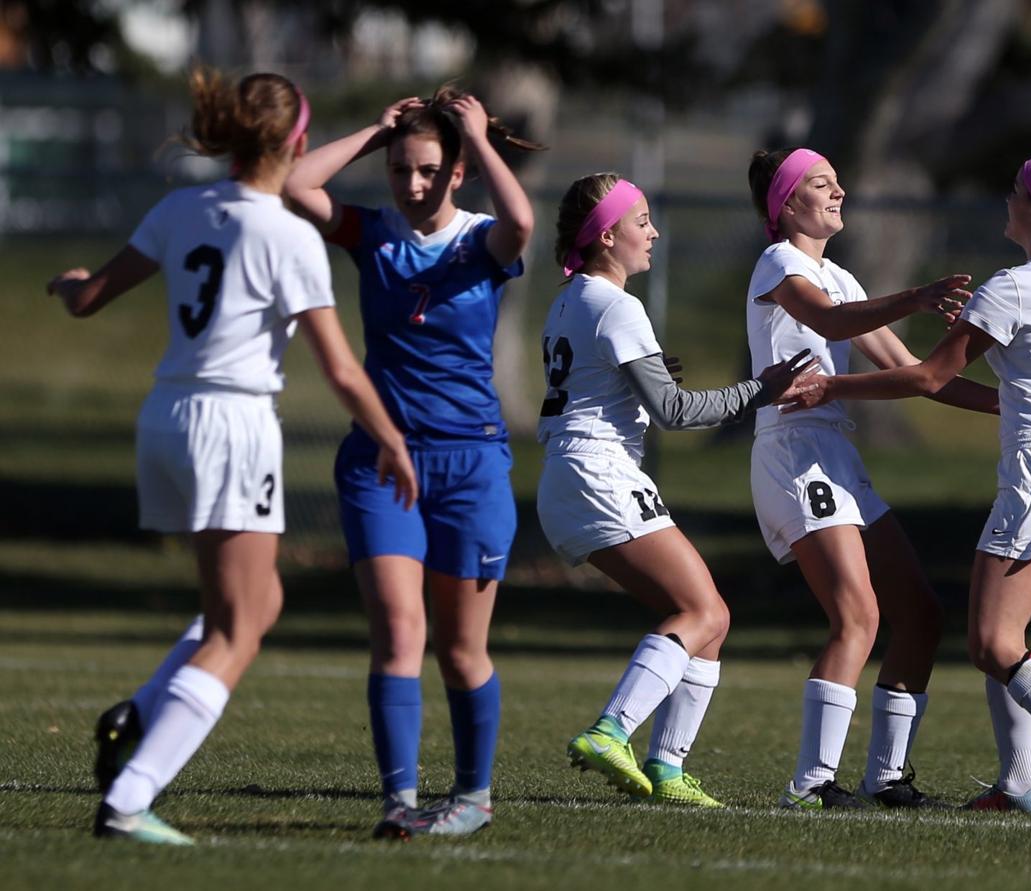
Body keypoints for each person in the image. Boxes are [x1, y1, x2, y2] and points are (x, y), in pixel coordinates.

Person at [48, 67, 418, 845]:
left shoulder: (183, 206)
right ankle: (130, 795)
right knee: (237, 630)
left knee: (254, 606)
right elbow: (342, 369)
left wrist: (70, 283)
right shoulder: (286, 232)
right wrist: (390, 438)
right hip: (232, 422)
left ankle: (138, 713)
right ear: (297, 141)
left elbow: (91, 297)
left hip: (167, 417)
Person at [787, 149, 1031, 816]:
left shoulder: (1011, 286)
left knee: (992, 641)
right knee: (1007, 639)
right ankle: (1018, 784)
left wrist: (832, 385)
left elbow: (926, 376)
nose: (1005, 201)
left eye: (1016, 191)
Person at [282, 88, 539, 839]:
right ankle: (397, 801)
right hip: (380, 463)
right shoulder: (373, 234)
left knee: (462, 649)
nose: (413, 184)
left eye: (429, 169)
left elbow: (524, 222)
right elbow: (299, 187)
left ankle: (471, 798)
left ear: (457, 172)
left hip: (471, 466)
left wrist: (479, 135)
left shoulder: (484, 239)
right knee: (399, 631)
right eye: (401, 170)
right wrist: (375, 131)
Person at [537, 173, 819, 808]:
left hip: (568, 476)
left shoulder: (567, 298)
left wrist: (649, 387)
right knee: (705, 613)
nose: (653, 232)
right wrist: (762, 389)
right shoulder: (617, 304)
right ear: (606, 235)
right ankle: (612, 730)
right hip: (599, 473)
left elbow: (605, 386)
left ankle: (667, 770)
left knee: (707, 622)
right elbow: (676, 412)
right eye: (640, 221)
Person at [744, 147, 1001, 810]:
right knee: (857, 614)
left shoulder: (843, 276)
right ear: (785, 203)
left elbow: (922, 377)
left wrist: (1013, 403)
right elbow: (829, 322)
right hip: (794, 451)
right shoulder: (780, 262)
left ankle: (885, 779)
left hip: (837, 454)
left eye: (837, 181)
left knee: (919, 611)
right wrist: (915, 295)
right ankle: (809, 785)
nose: (839, 192)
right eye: (821, 184)